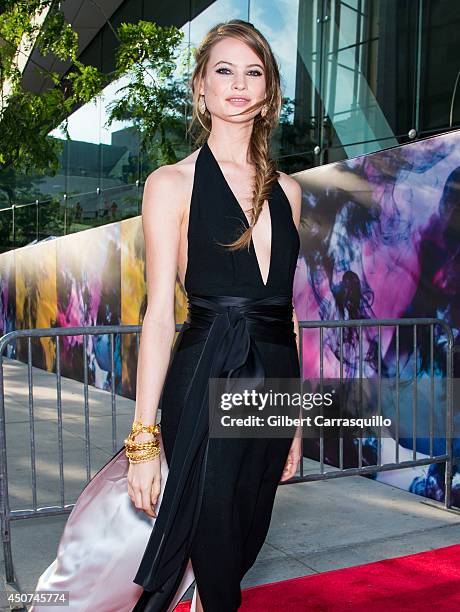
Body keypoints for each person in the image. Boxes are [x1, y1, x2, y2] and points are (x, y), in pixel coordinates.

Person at [30, 19, 302, 612]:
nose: (238, 83)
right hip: (205, 375)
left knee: (240, 543)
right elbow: (158, 315)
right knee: (210, 545)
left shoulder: (290, 190)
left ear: (268, 92)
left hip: (273, 385)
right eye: (223, 70)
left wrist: (297, 421)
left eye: (252, 71)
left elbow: (290, 312)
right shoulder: (171, 183)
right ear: (200, 88)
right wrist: (144, 440)